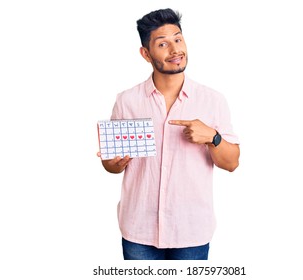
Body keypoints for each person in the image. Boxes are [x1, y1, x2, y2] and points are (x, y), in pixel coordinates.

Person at [98, 8, 240, 260]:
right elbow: (111, 165)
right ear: (145, 53)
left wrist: (213, 137)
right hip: (138, 229)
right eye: (163, 43)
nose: (175, 50)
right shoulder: (127, 101)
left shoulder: (213, 100)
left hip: (191, 231)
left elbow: (231, 163)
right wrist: (113, 163)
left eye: (178, 39)